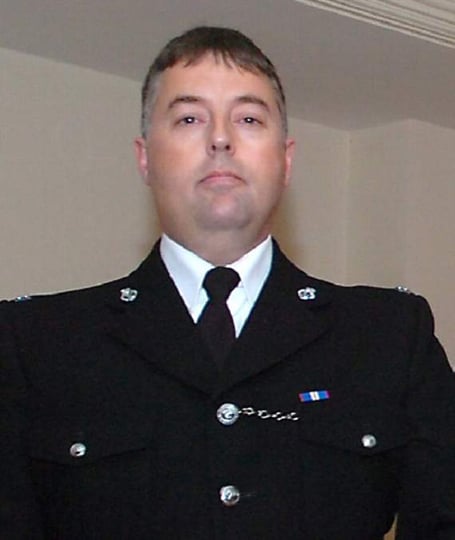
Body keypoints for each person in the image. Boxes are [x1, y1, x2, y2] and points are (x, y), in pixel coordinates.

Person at [0, 26, 454, 540]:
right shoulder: (36, 343)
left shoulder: (387, 337)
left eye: (248, 119)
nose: (220, 138)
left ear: (285, 160)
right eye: (190, 118)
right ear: (145, 157)